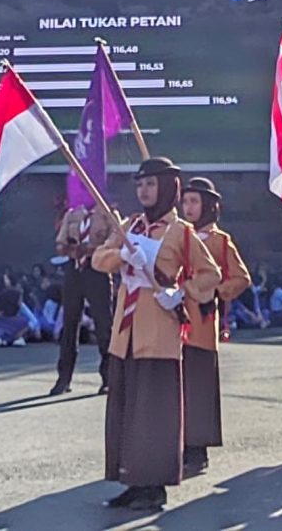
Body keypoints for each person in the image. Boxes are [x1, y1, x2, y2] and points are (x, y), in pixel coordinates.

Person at [90, 156, 210, 514]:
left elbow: (210, 275)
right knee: (126, 409)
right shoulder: (129, 225)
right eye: (139, 184)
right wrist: (122, 254)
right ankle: (131, 479)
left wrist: (181, 292)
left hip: (157, 332)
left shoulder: (181, 233)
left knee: (153, 412)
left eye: (151, 183)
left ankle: (153, 486)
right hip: (125, 332)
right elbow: (98, 259)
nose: (143, 190)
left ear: (167, 188)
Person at [180, 176, 249, 477]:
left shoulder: (220, 241)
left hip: (203, 322)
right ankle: (178, 442)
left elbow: (241, 278)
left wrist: (216, 291)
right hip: (173, 319)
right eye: (185, 201)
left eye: (195, 201)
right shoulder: (177, 236)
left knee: (200, 386)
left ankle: (198, 447)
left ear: (208, 206)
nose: (189, 207)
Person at [49, 196, 116, 396]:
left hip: (97, 269)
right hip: (75, 269)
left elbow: (115, 242)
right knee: (70, 324)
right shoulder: (72, 214)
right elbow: (59, 244)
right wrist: (70, 248)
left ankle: (108, 376)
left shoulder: (107, 214)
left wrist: (93, 249)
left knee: (104, 324)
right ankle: (64, 377)